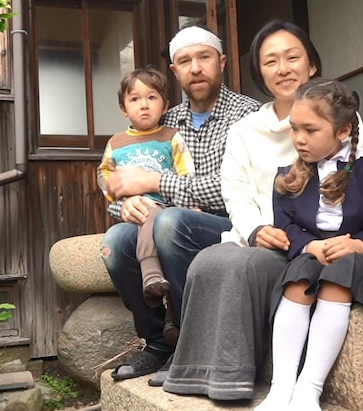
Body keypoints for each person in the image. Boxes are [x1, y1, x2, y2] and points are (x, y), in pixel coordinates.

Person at [161, 20, 363, 398]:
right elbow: (235, 192)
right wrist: (256, 230)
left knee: (241, 266)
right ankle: (191, 369)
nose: (283, 68)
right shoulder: (245, 129)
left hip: (306, 242)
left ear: (312, 65)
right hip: (258, 231)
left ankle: (231, 375)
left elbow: (354, 171)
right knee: (210, 261)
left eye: (293, 57)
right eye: (271, 61)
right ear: (260, 72)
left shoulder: (339, 118)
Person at [101, 26, 261, 380]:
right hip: (164, 221)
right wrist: (125, 205)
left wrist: (158, 182)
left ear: (220, 62)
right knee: (116, 241)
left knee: (170, 222)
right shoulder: (164, 120)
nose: (196, 68)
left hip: (232, 223)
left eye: (204, 58)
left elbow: (238, 189)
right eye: (185, 61)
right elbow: (123, 180)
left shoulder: (249, 115)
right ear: (175, 71)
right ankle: (157, 343)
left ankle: (192, 346)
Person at [252, 78, 363, 411]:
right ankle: (282, 388)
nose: (299, 139)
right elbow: (287, 227)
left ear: (342, 131)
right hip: (314, 258)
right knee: (298, 279)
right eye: (294, 129)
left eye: (310, 129)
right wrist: (309, 245)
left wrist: (358, 244)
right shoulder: (287, 178)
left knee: (337, 279)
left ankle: (309, 389)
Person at [96, 67, 196, 315]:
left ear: (165, 106)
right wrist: (116, 194)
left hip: (166, 207)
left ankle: (151, 274)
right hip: (134, 209)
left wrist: (191, 207)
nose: (144, 105)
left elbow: (186, 173)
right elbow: (105, 173)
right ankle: (156, 324)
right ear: (123, 108)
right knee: (116, 238)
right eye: (135, 99)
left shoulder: (171, 136)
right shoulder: (116, 142)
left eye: (152, 98)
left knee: (153, 215)